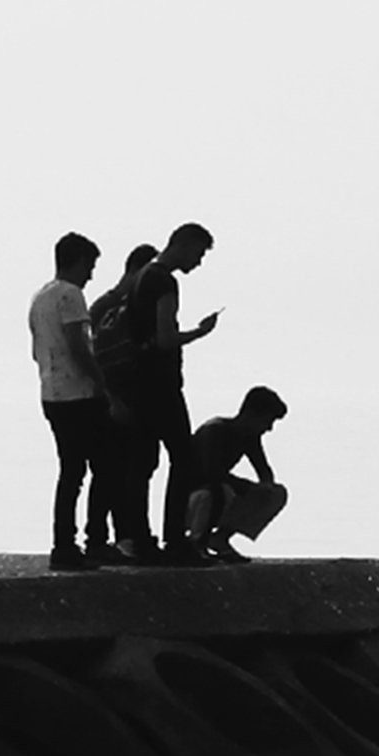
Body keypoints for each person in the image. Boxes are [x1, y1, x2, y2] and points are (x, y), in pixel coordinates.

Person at [84, 223, 218, 561]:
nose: (198, 263)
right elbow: (164, 338)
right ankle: (176, 539)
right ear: (185, 246)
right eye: (198, 254)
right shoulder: (164, 281)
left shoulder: (142, 277)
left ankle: (141, 538)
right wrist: (199, 333)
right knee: (183, 458)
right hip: (161, 385)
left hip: (139, 383)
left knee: (142, 463)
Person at [25, 233, 123, 569]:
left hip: (52, 393)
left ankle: (64, 543)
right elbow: (78, 345)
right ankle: (93, 539)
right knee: (105, 467)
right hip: (78, 394)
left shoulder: (40, 298)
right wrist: (101, 384)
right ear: (78, 261)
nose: (91, 274)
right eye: (90, 266)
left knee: (71, 471)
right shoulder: (71, 295)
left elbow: (36, 349)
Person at [167, 384, 291, 559]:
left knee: (276, 493)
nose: (269, 428)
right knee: (221, 491)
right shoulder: (215, 430)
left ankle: (219, 538)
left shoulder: (250, 437)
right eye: (267, 421)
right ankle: (197, 541)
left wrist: (266, 486)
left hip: (217, 493)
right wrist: (249, 487)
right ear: (251, 415)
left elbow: (263, 469)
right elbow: (211, 473)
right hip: (193, 498)